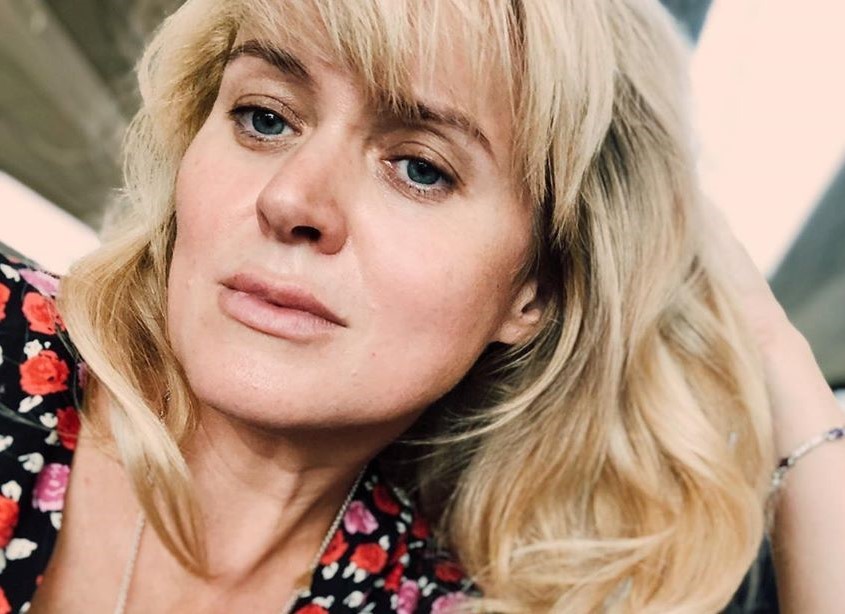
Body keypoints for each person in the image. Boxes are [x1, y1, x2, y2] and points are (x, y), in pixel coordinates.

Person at [0, 0, 842, 612]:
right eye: (264, 118)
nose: (292, 199)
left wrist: (776, 355)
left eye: (420, 169)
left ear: (535, 291)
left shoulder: (436, 596)